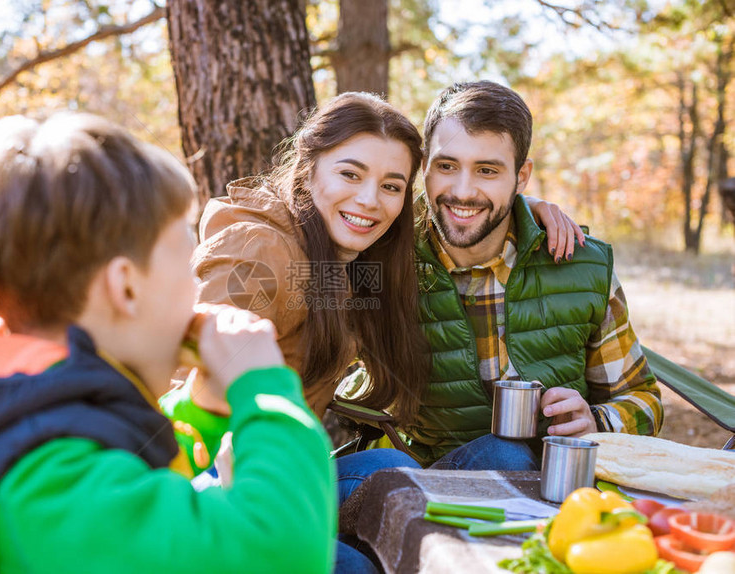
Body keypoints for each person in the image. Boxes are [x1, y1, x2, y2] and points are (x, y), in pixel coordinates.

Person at [0, 113, 335, 573]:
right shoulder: (51, 488)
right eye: (185, 259)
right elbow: (284, 554)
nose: (196, 290)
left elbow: (108, 447)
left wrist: (204, 406)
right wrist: (265, 388)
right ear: (127, 287)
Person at [191, 92, 583, 572]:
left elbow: (460, 206)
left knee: (422, 467)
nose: (369, 200)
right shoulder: (263, 247)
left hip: (292, 468)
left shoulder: (353, 262)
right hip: (219, 479)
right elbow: (194, 363)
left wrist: (526, 211)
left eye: (391, 185)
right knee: (364, 564)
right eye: (350, 174)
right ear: (308, 167)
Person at [395, 80, 664, 469]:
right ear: (424, 167)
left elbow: (645, 401)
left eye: (487, 170)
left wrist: (596, 420)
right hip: (431, 479)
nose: (462, 191)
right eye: (447, 166)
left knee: (509, 456)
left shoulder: (579, 265)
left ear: (522, 177)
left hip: (553, 487)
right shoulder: (388, 257)